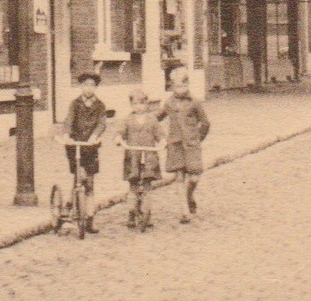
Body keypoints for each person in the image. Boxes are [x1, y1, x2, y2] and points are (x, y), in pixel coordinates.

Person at [157, 66, 210, 223]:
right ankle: (184, 212)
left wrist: (198, 139)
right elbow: (158, 117)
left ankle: (189, 196)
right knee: (179, 177)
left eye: (184, 85)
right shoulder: (169, 103)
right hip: (175, 145)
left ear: (188, 84)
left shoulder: (194, 102)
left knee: (194, 178)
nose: (180, 89)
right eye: (177, 86)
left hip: (192, 145)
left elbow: (205, 123)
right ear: (172, 86)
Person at [63, 71, 107, 233]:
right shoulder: (75, 104)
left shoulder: (100, 105)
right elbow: (69, 120)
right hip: (74, 145)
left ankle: (89, 218)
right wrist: (67, 135)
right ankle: (69, 204)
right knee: (78, 176)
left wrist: (95, 136)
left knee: (89, 182)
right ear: (81, 86)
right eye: (86, 85)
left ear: (95, 87)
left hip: (91, 146)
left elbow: (102, 123)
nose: (89, 88)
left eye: (92, 85)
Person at [116, 88, 163, 228]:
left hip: (149, 156)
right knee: (133, 186)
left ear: (146, 104)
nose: (139, 107)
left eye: (141, 103)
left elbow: (159, 133)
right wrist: (118, 138)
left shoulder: (152, 119)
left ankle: (147, 214)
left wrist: (162, 141)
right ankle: (131, 212)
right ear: (131, 105)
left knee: (147, 186)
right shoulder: (128, 120)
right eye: (135, 104)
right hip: (133, 157)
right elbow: (120, 132)